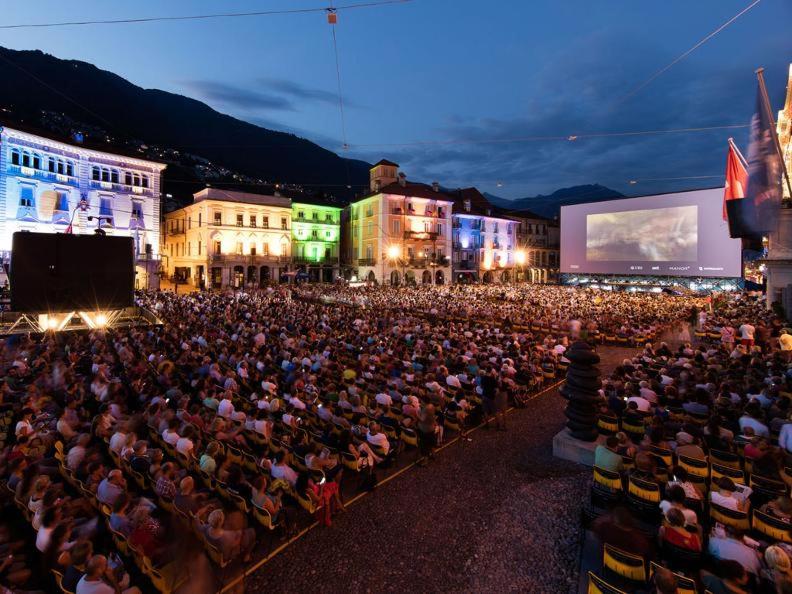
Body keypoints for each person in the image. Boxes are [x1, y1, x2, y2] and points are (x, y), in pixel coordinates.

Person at [76, 553, 140, 594]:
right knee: (135, 589)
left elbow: (103, 581)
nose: (108, 566)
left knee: (124, 582)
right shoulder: (101, 588)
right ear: (99, 570)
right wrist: (113, 579)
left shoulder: (86, 576)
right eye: (106, 565)